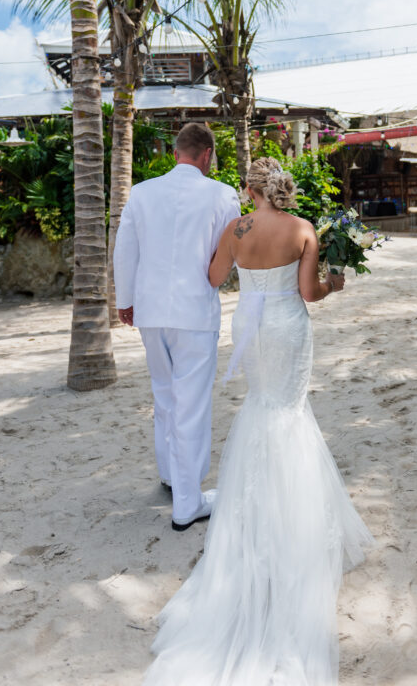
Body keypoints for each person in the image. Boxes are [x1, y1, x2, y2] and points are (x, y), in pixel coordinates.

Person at [143, 156, 374, 686]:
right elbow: (310, 292)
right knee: (289, 411)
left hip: (250, 329)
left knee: (261, 407)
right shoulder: (302, 229)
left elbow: (213, 277)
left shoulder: (236, 228)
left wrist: (242, 269)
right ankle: (296, 523)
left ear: (251, 189)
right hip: (289, 329)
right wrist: (336, 282)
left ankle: (257, 520)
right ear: (281, 188)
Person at [113, 122, 240, 530]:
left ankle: (171, 475)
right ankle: (187, 501)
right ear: (207, 155)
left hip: (150, 311)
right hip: (195, 311)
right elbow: (227, 258)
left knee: (165, 397)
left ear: (175, 154)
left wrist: (125, 301)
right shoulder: (223, 195)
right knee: (192, 404)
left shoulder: (142, 192)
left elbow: (125, 249)